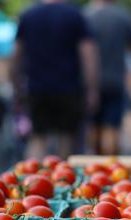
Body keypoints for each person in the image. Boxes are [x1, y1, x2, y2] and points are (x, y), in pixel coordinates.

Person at [14, 0, 98, 159]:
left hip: (36, 87)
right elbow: (88, 54)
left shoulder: (28, 15)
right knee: (66, 139)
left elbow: (16, 54)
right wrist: (92, 89)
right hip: (69, 88)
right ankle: (62, 180)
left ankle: (31, 179)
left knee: (37, 137)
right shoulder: (75, 15)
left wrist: (15, 83)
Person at [85, 0, 131, 155]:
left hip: (89, 83)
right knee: (112, 127)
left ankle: (96, 169)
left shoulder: (85, 15)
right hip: (116, 80)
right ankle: (111, 169)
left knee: (93, 127)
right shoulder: (124, 16)